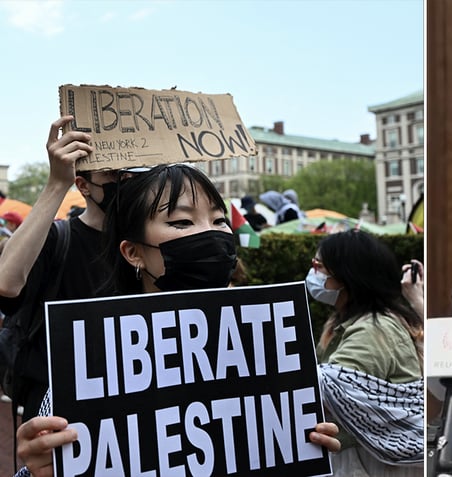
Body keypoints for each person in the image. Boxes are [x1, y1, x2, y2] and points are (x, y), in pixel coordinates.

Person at [15, 164, 341, 477]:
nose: (210, 235)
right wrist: (43, 469)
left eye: (218, 220)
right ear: (133, 252)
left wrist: (303, 445)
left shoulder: (267, 347)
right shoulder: (90, 367)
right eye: (183, 222)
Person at [0, 116, 121, 420]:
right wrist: (57, 183)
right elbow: (6, 283)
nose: (127, 182)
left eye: (132, 173)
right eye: (114, 174)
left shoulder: (148, 241)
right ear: (84, 185)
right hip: (58, 405)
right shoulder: (57, 237)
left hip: (126, 399)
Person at [307, 230, 424, 476]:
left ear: (346, 275)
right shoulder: (350, 321)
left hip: (371, 463)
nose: (313, 273)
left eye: (318, 266)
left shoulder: (374, 330)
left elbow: (332, 388)